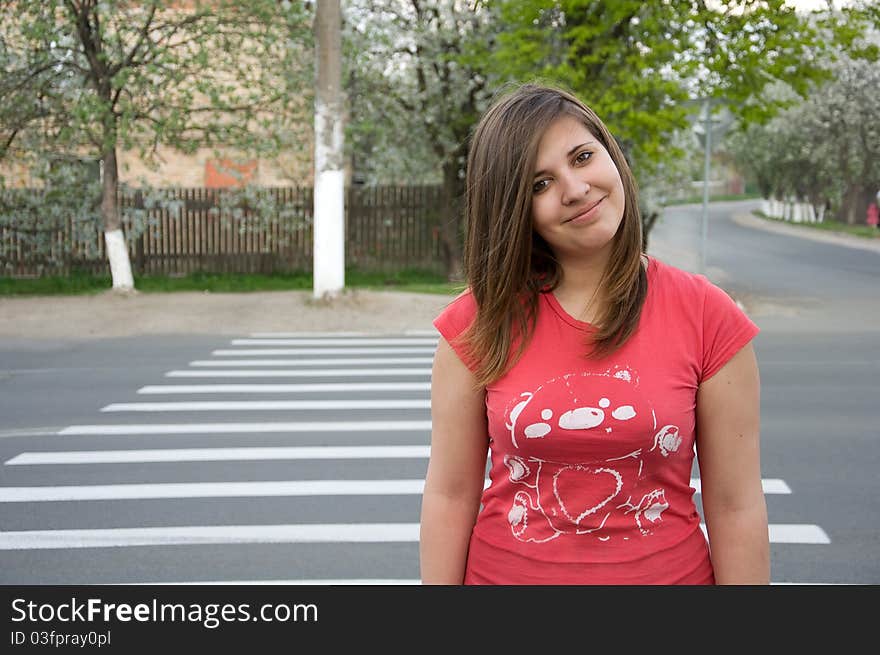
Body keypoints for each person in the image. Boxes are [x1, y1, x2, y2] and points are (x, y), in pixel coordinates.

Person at [419, 83, 769, 585]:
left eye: (582, 157)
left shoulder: (709, 316)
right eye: (540, 184)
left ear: (611, 153)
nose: (575, 188)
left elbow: (736, 506)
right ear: (515, 210)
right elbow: (450, 495)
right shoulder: (477, 322)